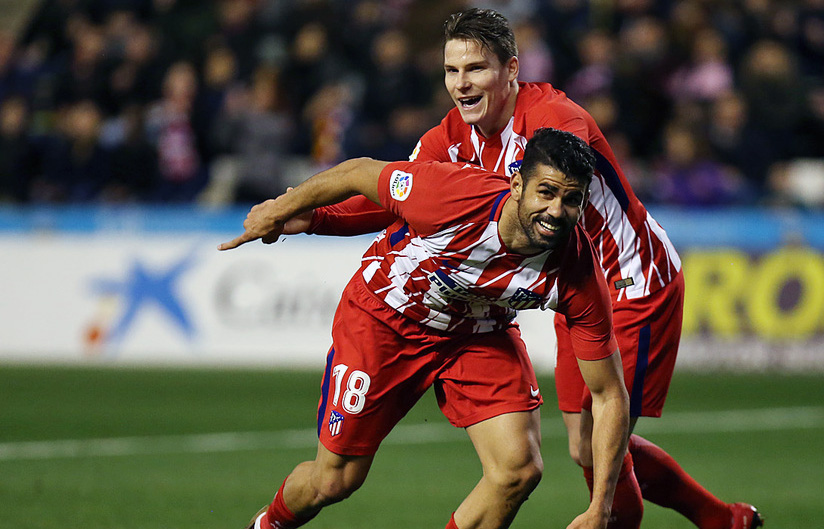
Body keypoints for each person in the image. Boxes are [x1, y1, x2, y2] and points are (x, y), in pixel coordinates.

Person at [302, 8, 763, 529]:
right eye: (452, 71)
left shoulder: (552, 123)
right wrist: (311, 216)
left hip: (630, 280)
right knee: (583, 443)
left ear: (511, 70)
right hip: (573, 281)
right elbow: (396, 200)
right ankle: (722, 520)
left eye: (475, 69)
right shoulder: (457, 134)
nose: (461, 84)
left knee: (596, 445)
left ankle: (677, 519)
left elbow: (552, 176)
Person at [219, 128, 631, 529]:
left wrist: (600, 507)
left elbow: (609, 394)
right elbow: (356, 172)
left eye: (571, 199)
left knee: (517, 470)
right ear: (517, 184)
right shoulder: (451, 195)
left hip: (477, 331)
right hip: (386, 319)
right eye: (546, 192)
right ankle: (268, 524)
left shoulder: (578, 273)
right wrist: (280, 211)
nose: (557, 211)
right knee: (333, 481)